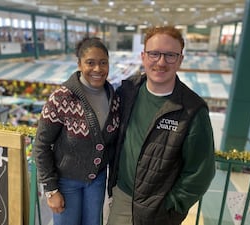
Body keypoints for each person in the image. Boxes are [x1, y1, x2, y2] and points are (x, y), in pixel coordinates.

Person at [107, 26, 216, 225]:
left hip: (159, 211)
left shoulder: (192, 110)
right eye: (154, 54)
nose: (161, 62)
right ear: (143, 56)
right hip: (121, 197)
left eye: (170, 55)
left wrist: (172, 206)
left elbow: (200, 171)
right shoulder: (127, 91)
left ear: (181, 59)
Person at [33, 36, 120, 225]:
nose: (97, 69)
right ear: (79, 64)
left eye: (103, 63)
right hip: (65, 182)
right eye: (90, 63)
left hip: (97, 180)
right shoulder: (61, 98)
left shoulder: (113, 98)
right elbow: (41, 146)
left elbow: (112, 144)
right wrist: (51, 189)